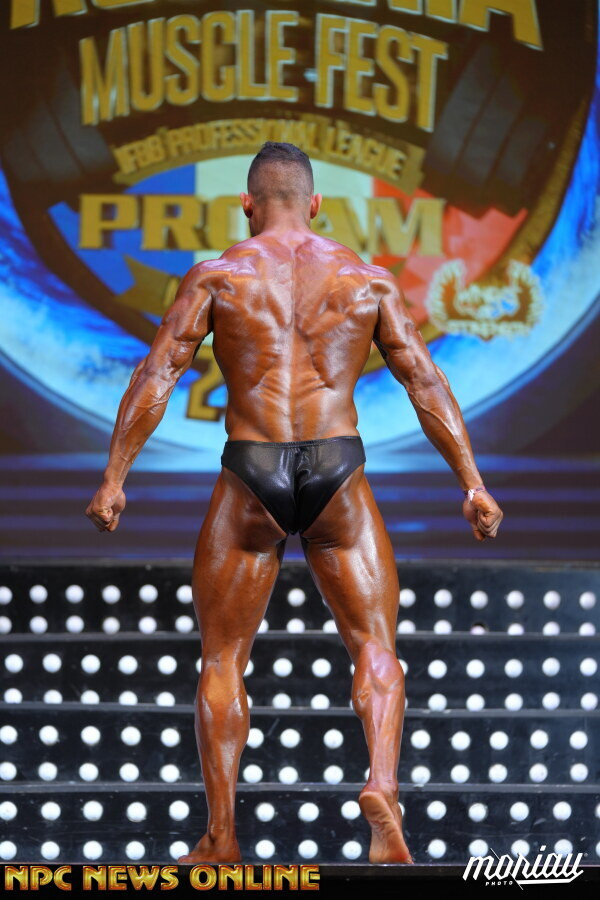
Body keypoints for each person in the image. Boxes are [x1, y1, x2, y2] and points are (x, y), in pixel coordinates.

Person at [86, 141, 503, 865]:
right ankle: (382, 785)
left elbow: (158, 373)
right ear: (315, 204)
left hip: (253, 470)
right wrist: (472, 481)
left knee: (223, 658)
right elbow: (425, 382)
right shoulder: (365, 280)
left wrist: (114, 477)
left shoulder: (219, 276)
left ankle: (221, 837)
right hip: (337, 467)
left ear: (247, 205)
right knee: (375, 647)